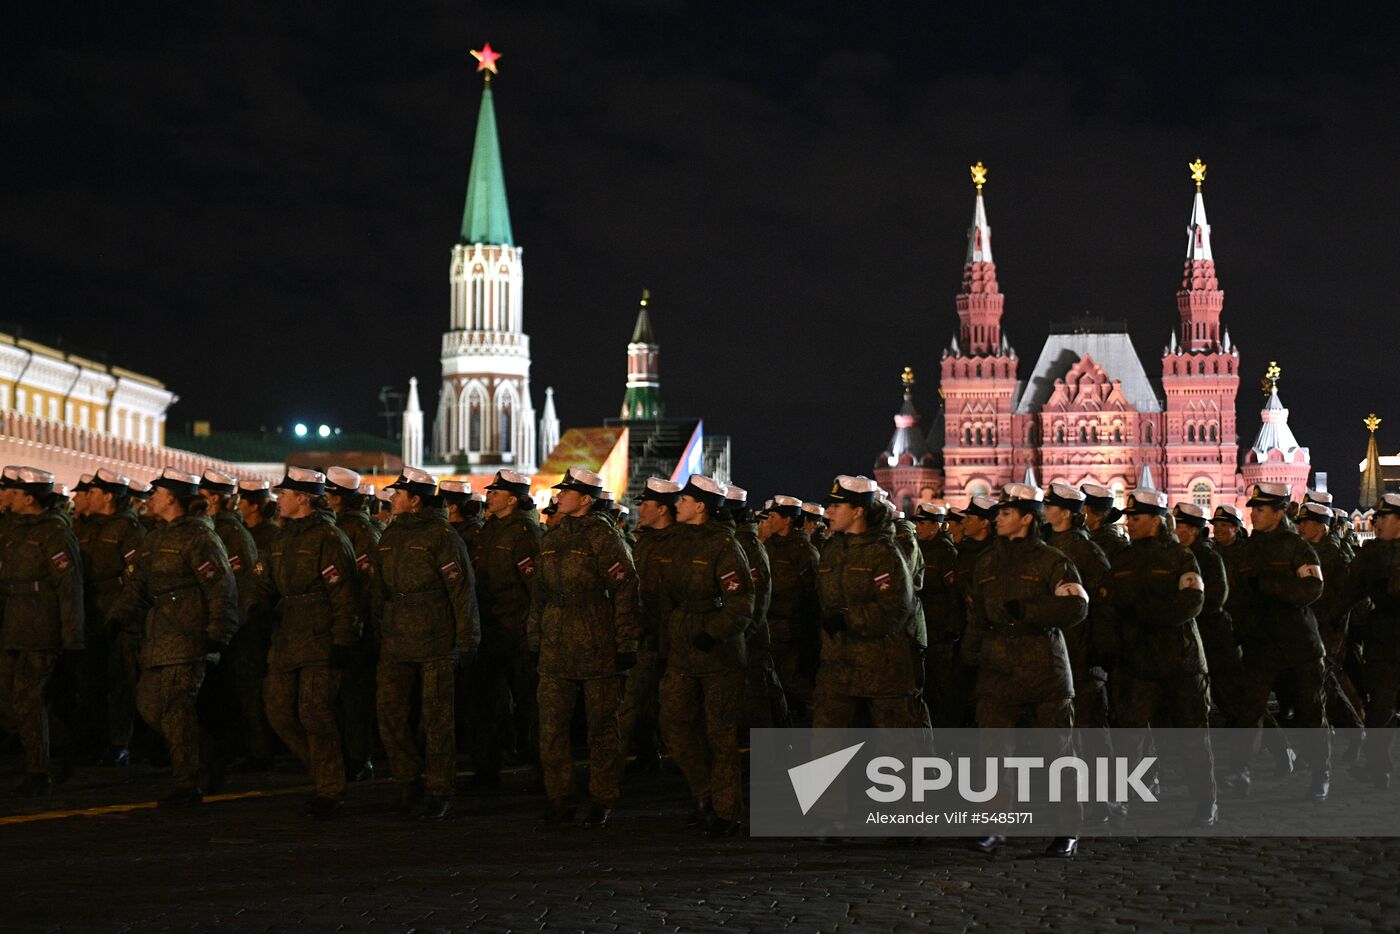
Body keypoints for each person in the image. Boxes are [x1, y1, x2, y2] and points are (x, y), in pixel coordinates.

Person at [961, 483, 1086, 857]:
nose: (997, 518)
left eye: (1005, 513)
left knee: (1058, 752)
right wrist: (970, 659)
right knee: (993, 751)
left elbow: (1076, 606)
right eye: (997, 513)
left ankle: (1067, 829)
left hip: (1042, 664)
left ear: (1027, 519)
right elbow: (976, 617)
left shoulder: (1052, 561)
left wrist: (1032, 612)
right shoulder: (986, 562)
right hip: (998, 668)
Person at [108, 468, 238, 806]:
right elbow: (136, 587)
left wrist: (217, 633)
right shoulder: (154, 538)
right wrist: (116, 619)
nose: (150, 498)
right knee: (150, 706)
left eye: (157, 492)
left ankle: (187, 784)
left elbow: (221, 587)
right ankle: (209, 752)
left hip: (188, 636)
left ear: (172, 498)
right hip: (157, 637)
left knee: (177, 709)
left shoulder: (199, 537)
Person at [529, 467, 640, 828]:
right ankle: (560, 797)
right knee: (552, 727)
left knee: (602, 727)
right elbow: (540, 594)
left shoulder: (603, 537)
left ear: (587, 500)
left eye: (567, 492)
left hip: (596, 643)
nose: (559, 495)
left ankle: (602, 798)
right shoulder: (554, 537)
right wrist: (535, 637)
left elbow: (626, 589)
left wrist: (626, 641)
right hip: (557, 645)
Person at [369, 467, 480, 821]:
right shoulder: (390, 535)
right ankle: (407, 780)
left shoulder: (441, 536)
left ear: (415, 500)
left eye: (398, 493)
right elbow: (378, 590)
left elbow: (461, 591)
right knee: (391, 714)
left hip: (435, 638)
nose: (392, 498)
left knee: (436, 720)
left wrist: (467, 639)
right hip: (396, 639)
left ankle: (439, 789)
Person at [1103, 487, 1217, 825]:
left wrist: (1145, 612)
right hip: (1137, 661)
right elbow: (1109, 605)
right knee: (1130, 736)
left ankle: (1204, 800)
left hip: (1179, 660)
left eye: (1136, 518)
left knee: (1191, 735)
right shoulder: (1123, 559)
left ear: (1156, 521)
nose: (1130, 524)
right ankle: (1125, 798)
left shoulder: (1181, 557)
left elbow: (1192, 601)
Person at [257, 467, 361, 818]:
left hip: (319, 636)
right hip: (287, 638)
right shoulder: (282, 538)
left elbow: (345, 596)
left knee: (315, 713)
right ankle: (327, 767)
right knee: (279, 710)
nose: (278, 499)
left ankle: (330, 788)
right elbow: (267, 584)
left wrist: (343, 640)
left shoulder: (328, 538)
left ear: (302, 498)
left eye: (283, 494)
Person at [658, 474, 754, 837]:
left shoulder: (724, 546)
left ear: (701, 506)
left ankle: (728, 812)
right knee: (674, 724)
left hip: (718, 655)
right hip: (682, 652)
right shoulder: (679, 542)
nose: (677, 504)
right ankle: (703, 793)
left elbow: (742, 601)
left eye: (684, 500)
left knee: (721, 734)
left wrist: (713, 633)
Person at [1229, 482, 1330, 801]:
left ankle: (1319, 772)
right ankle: (1241, 769)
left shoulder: (1298, 548)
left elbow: (1312, 587)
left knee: (1310, 709)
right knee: (1249, 709)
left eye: (1260, 510)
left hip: (1298, 641)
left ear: (1278, 512)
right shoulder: (1247, 548)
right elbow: (1238, 595)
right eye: (1253, 509)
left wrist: (1271, 587)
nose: (1253, 515)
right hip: (1261, 643)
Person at [814, 475, 928, 731]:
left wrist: (848, 618)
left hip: (881, 669)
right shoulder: (832, 549)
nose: (828, 511)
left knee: (894, 753)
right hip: (837, 668)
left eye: (837, 506)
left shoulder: (884, 552)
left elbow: (895, 608)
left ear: (858, 511)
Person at [0, 468, 84, 795]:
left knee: (28, 699)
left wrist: (72, 636)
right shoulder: (15, 531)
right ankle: (59, 747)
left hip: (40, 627)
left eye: (13, 492)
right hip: (14, 626)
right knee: (10, 700)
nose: (7, 496)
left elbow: (69, 587)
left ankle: (39, 770)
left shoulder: (54, 534)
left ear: (29, 498)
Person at [468, 469, 543, 790]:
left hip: (518, 633)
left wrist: (533, 632)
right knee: (487, 705)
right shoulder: (489, 530)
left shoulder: (524, 533)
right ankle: (488, 770)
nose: (489, 495)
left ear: (512, 499)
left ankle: (544, 773)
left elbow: (535, 589)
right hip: (491, 631)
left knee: (530, 705)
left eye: (496, 493)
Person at [74, 469, 145, 767]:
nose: (86, 496)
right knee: (90, 681)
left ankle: (121, 742)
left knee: (121, 682)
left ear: (107, 496)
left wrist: (120, 616)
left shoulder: (129, 529)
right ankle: (94, 739)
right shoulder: (87, 528)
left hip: (118, 616)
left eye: (92, 492)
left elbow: (135, 579)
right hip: (90, 611)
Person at [619, 478, 681, 772]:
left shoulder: (684, 543)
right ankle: (642, 756)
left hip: (675, 639)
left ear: (662, 509)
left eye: (645, 504)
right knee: (633, 703)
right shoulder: (643, 541)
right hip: (644, 635)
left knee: (675, 710)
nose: (640, 510)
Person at [325, 467, 380, 784]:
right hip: (345, 624)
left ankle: (360, 757)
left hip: (358, 628)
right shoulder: (341, 528)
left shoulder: (360, 532)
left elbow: (366, 586)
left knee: (355, 697)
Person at [719, 484, 786, 731]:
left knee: (758, 695)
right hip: (739, 634)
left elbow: (758, 600)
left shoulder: (749, 547)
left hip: (750, 636)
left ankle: (770, 754)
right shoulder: (736, 542)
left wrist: (743, 633)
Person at [1295, 502, 1365, 735]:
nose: (1301, 526)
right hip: (1312, 623)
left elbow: (1348, 592)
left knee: (1328, 675)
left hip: (1330, 626)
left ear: (1320, 526)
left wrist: (1334, 618)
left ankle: (1354, 721)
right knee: (1321, 677)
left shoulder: (1334, 554)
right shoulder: (1306, 551)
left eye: (1306, 522)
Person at [1351, 493, 1400, 787]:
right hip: (1383, 641)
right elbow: (1349, 593)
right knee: (1380, 707)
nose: (1376, 522)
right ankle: (1378, 767)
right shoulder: (1370, 554)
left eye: (1383, 517)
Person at [763, 495, 821, 724]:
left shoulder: (804, 552)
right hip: (771, 628)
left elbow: (813, 597)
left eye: (774, 516)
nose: (768, 521)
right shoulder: (770, 546)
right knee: (776, 681)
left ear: (787, 520)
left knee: (792, 680)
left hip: (794, 630)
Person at [911, 502, 963, 728]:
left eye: (922, 523)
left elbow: (954, 594)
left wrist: (950, 629)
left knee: (942, 688)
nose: (918, 528)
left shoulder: (945, 552)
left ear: (936, 526)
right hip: (923, 629)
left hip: (940, 631)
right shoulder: (919, 549)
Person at [1081, 482, 1128, 561]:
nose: (1078, 514)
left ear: (1098, 516)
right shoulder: (1086, 537)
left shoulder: (1112, 545)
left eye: (1082, 510)